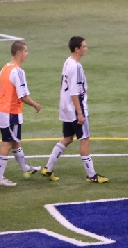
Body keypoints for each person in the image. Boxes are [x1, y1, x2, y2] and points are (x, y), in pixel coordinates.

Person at [44, 36, 108, 183]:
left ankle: (48, 168)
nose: (86, 49)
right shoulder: (76, 67)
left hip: (66, 108)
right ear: (77, 49)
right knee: (84, 140)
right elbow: (75, 92)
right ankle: (91, 175)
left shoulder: (68, 62)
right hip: (75, 108)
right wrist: (80, 113)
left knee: (67, 138)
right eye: (84, 46)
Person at [0, 41, 42, 186]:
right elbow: (22, 96)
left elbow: (0, 92)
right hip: (11, 113)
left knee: (15, 141)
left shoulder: (4, 69)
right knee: (7, 143)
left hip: (4, 110)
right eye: (25, 51)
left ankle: (26, 169)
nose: (27, 54)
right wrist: (35, 104)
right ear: (19, 53)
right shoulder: (17, 71)